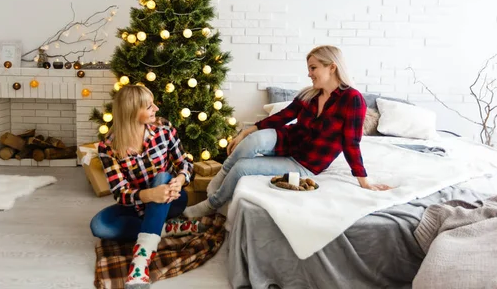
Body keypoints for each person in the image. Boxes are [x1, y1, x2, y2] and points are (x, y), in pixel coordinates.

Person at [184, 45, 393, 218]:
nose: (309, 74)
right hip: (288, 140)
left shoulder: (352, 100)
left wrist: (364, 181)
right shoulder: (309, 94)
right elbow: (283, 116)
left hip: (305, 162)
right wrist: (246, 132)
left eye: (313, 68)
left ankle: (210, 205)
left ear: (331, 67)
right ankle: (219, 178)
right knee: (252, 141)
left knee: (242, 169)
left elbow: (351, 143)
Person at [90, 85, 198, 288]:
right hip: (137, 206)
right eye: (149, 107)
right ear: (132, 111)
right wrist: (150, 195)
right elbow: (120, 194)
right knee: (98, 226)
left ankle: (140, 263)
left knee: (163, 176)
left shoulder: (163, 128)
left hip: (172, 201)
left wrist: (181, 178)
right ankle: (165, 228)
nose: (156, 109)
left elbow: (185, 162)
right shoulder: (108, 147)